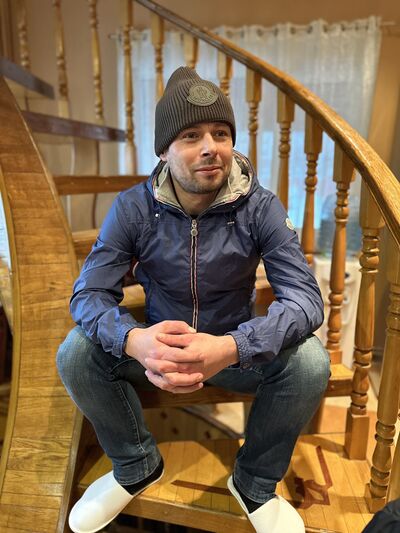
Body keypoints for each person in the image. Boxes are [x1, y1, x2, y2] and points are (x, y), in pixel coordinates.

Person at [57, 66, 330, 533]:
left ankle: (253, 483)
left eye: (220, 133)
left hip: (233, 355)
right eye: (191, 136)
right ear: (164, 151)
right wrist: (136, 341)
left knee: (309, 363)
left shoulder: (260, 207)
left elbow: (305, 299)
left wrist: (232, 347)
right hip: (158, 353)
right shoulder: (133, 208)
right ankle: (136, 464)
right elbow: (88, 295)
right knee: (75, 353)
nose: (210, 147)